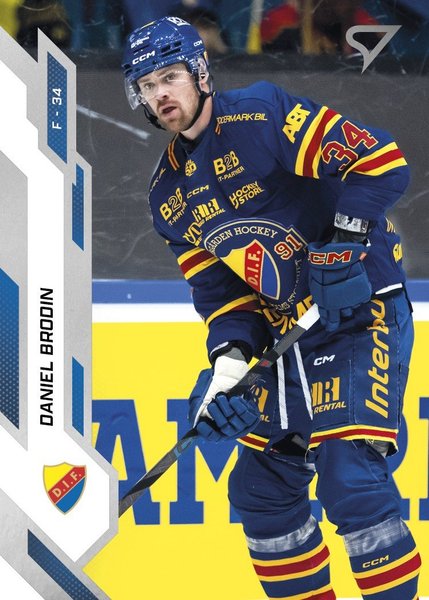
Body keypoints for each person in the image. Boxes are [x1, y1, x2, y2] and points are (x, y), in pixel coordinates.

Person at [122, 16, 421, 599]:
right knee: (261, 495)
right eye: (147, 85)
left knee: (350, 477)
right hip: (288, 337)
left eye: (170, 76)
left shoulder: (259, 115)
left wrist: (346, 242)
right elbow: (223, 298)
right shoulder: (167, 195)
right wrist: (229, 367)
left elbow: (381, 160)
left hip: (359, 312)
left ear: (200, 73)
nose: (160, 94)